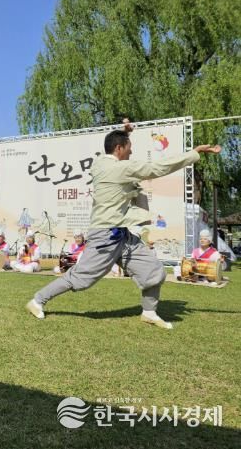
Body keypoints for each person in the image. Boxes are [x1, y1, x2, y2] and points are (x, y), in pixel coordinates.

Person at [26, 121, 222, 329]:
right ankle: (37, 301)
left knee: (154, 270)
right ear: (119, 148)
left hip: (122, 235)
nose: (132, 151)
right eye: (129, 147)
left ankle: (149, 312)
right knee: (81, 279)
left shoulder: (99, 163)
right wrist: (194, 153)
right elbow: (158, 168)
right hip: (105, 236)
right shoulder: (120, 168)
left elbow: (115, 147)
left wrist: (125, 133)